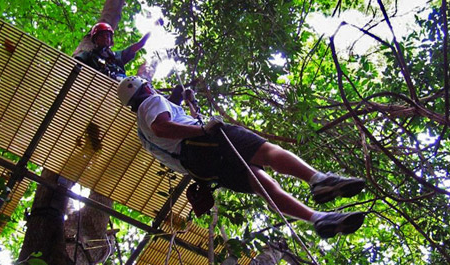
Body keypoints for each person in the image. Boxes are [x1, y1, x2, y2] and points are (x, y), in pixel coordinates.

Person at [116, 76, 368, 239]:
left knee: (263, 185)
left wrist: (183, 101)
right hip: (205, 143)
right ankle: (318, 179)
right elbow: (163, 126)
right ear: (145, 88)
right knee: (267, 152)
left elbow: (163, 130)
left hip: (201, 166)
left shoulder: (142, 133)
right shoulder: (152, 102)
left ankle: (317, 219)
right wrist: (202, 130)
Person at [74, 22, 151, 81]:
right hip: (98, 85)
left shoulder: (117, 56)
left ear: (111, 40)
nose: (105, 38)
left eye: (107, 36)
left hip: (122, 87)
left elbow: (140, 44)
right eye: (101, 36)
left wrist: (153, 27)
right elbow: (75, 65)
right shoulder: (88, 55)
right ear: (95, 40)